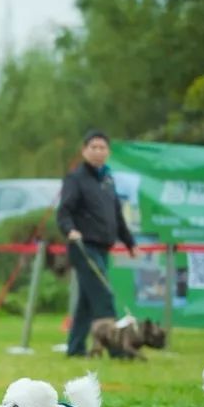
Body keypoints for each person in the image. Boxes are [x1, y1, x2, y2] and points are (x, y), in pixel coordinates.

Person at [57, 130, 137, 357]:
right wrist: (69, 229)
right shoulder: (76, 178)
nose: (98, 151)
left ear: (108, 152)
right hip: (83, 246)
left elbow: (116, 215)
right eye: (93, 147)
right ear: (84, 150)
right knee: (103, 296)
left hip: (103, 247)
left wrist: (130, 243)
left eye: (102, 148)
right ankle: (118, 349)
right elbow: (64, 211)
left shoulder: (108, 179)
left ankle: (75, 348)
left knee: (86, 302)